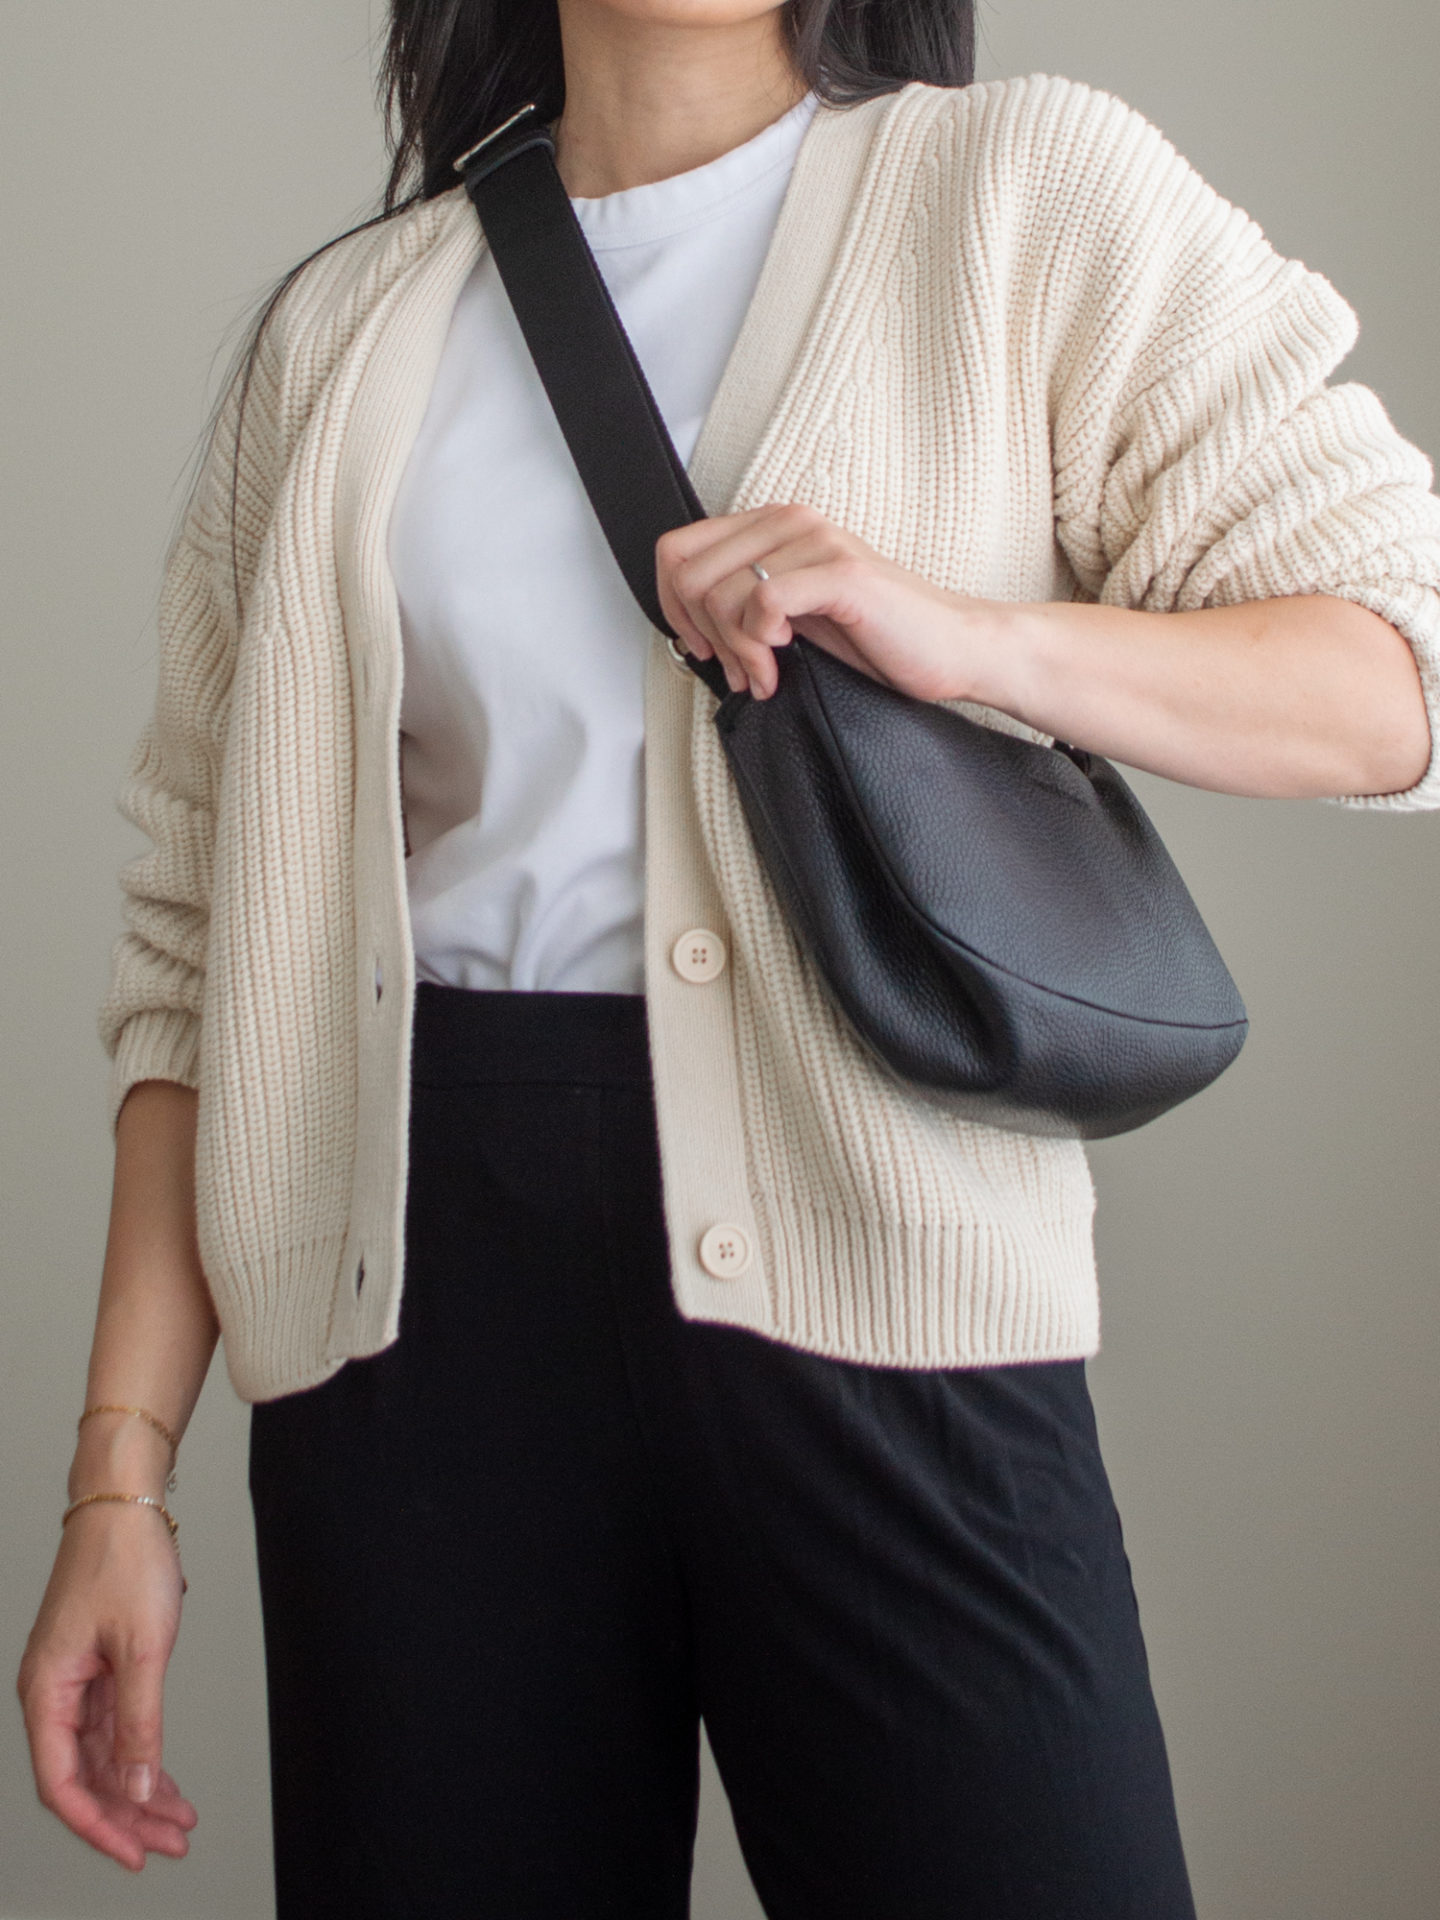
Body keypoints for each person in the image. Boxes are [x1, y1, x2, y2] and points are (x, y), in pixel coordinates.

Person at [18, 2, 1440, 1915]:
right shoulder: (346, 331)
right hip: (410, 1334)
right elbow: (199, 945)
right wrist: (121, 1478)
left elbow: (1395, 673)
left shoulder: (1018, 189)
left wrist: (974, 640)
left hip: (890, 1292)